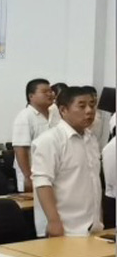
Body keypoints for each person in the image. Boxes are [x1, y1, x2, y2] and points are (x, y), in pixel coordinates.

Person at [31, 86, 103, 238]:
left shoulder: (91, 139)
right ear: (63, 110)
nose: (89, 111)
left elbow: (94, 182)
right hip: (65, 228)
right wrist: (54, 221)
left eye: (92, 105)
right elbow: (43, 183)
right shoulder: (49, 140)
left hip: (92, 227)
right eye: (82, 106)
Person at [11, 79, 60, 193]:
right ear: (31, 96)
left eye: (50, 91)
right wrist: (28, 177)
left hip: (53, 172)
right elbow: (20, 149)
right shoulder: (25, 116)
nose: (50, 94)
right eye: (44, 92)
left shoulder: (55, 114)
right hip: (34, 174)